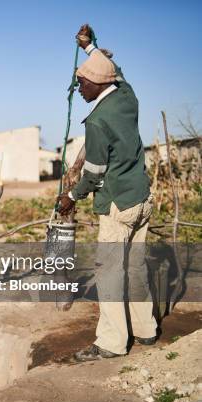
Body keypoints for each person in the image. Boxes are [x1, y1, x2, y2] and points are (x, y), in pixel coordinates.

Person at [56, 24, 157, 362]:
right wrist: (89, 48)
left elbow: (94, 173)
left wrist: (72, 196)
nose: (79, 87)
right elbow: (118, 72)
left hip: (118, 205)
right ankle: (146, 330)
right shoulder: (127, 96)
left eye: (82, 82)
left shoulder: (98, 122)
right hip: (142, 198)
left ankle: (112, 342)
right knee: (137, 266)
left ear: (100, 84)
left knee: (111, 272)